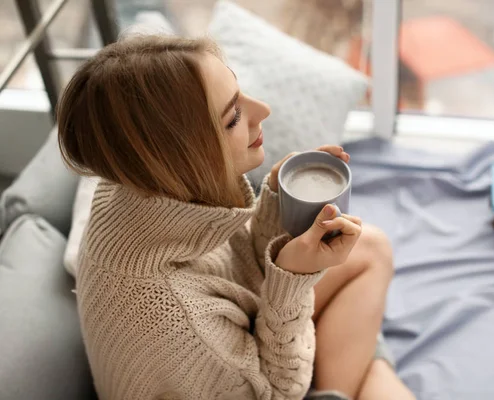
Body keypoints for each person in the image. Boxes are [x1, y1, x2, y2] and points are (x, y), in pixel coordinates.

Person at [57, 35, 415, 400]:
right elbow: (275, 393)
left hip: (231, 346)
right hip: (252, 382)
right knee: (380, 379)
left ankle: (362, 369)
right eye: (233, 117)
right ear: (183, 158)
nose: (262, 109)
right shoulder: (175, 317)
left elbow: (230, 268)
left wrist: (276, 204)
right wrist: (293, 279)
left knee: (370, 247)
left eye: (240, 93)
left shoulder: (132, 184)